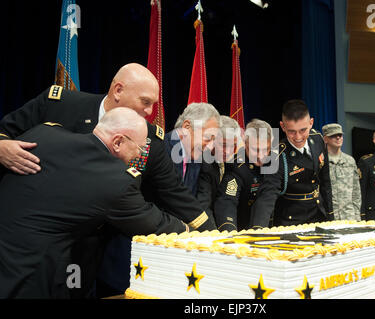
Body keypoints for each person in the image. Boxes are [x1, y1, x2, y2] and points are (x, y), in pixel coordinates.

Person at [0, 63, 215, 298]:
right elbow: (8, 130)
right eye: (145, 102)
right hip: (29, 249)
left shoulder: (148, 137)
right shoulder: (59, 106)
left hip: (85, 249)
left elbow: (174, 193)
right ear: (118, 90)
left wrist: (212, 235)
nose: (151, 111)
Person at [249, 100, 333, 228]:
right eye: (292, 131)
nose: (298, 137)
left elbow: (325, 182)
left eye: (303, 130)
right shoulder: (276, 154)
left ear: (311, 123)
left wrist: (331, 216)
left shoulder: (318, 139)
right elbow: (267, 195)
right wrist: (257, 230)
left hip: (319, 215)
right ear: (283, 127)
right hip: (291, 221)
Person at [214, 119, 272, 231]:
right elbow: (227, 201)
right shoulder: (237, 168)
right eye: (255, 150)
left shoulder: (277, 160)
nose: (261, 156)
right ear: (245, 143)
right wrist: (229, 231)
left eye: (266, 149)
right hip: (245, 230)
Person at [164, 102, 221, 196]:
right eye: (207, 138)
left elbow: (189, 198)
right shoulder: (160, 149)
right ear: (187, 127)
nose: (210, 147)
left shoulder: (196, 157)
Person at [196, 116, 242, 221]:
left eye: (232, 146)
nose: (228, 151)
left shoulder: (231, 164)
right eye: (223, 145)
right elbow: (203, 206)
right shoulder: (204, 165)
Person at [322, 123, 361, 221]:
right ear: (325, 139)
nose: (338, 138)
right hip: (328, 217)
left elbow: (356, 190)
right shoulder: (321, 161)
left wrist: (356, 215)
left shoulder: (350, 161)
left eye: (340, 135)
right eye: (333, 136)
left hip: (349, 216)